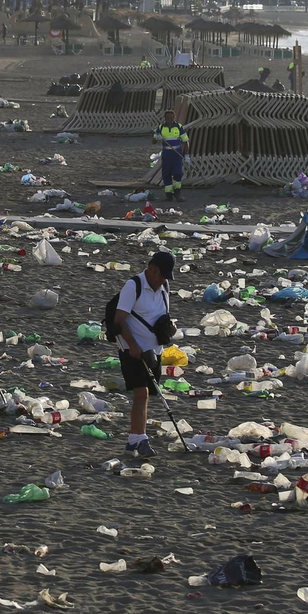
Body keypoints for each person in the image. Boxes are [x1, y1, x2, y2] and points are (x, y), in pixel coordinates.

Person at [112, 251, 176, 459]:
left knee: (146, 395)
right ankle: (141, 439)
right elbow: (119, 320)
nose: (163, 280)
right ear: (151, 268)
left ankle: (133, 440)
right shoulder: (134, 286)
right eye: (161, 275)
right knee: (142, 394)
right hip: (133, 350)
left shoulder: (164, 286)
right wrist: (132, 345)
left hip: (153, 351)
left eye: (166, 276)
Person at [154, 108, 189, 202]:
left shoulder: (179, 127)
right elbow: (153, 141)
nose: (170, 119)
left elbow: (185, 141)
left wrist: (186, 155)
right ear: (165, 118)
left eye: (171, 117)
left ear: (174, 117)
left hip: (176, 154)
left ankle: (177, 193)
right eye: (168, 118)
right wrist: (157, 137)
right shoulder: (161, 128)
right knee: (166, 174)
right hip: (166, 154)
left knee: (178, 173)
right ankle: (169, 196)